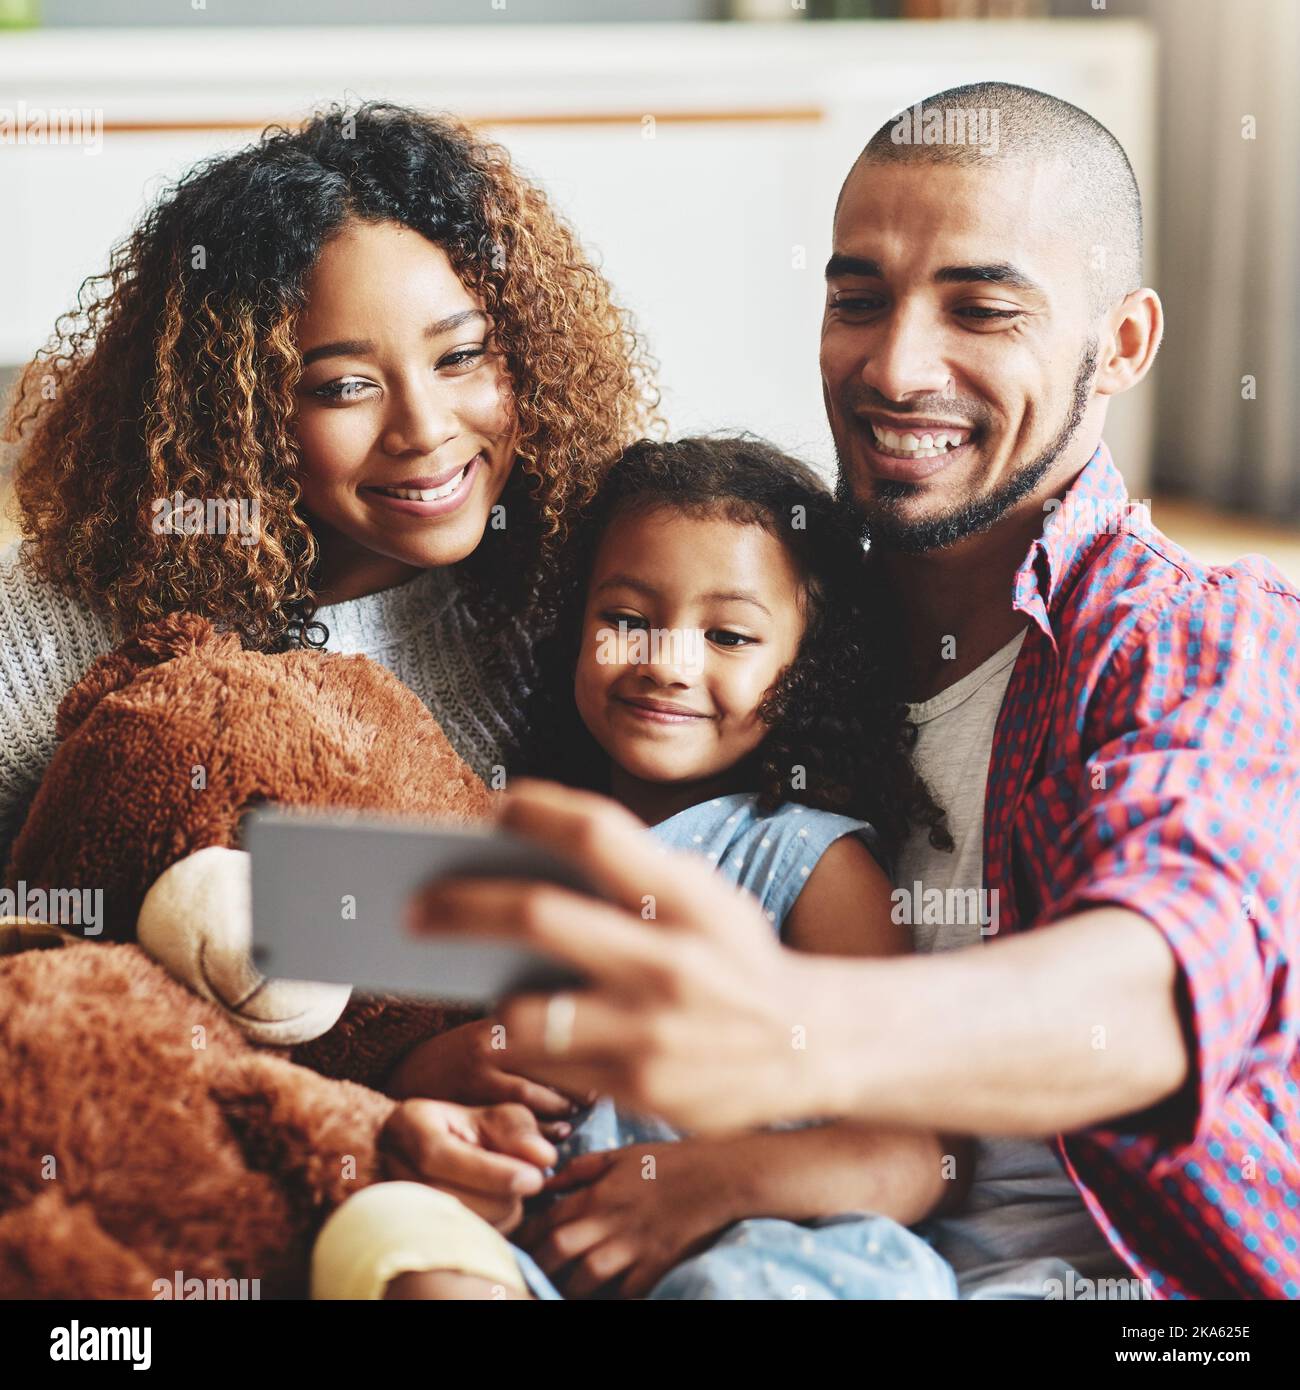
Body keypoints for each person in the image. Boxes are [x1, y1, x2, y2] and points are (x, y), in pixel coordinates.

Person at [401, 83, 1300, 1300]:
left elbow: (1168, 981)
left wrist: (786, 1029)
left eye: (981, 308)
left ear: (1122, 344)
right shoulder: (768, 629)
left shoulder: (1200, 634)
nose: (895, 364)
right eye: (858, 299)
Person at [351, 435, 960, 1300]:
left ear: (805, 666)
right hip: (543, 1247)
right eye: (626, 620)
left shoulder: (805, 859)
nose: (668, 664)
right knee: (399, 1249)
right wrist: (428, 1076)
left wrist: (706, 1186)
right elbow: (407, 1078)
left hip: (766, 1246)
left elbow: (920, 1150)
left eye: (729, 635)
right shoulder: (517, 843)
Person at [0, 99, 657, 868]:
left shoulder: (584, 598)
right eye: (343, 387)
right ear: (233, 411)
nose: (424, 429)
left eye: (461, 357)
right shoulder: (58, 622)